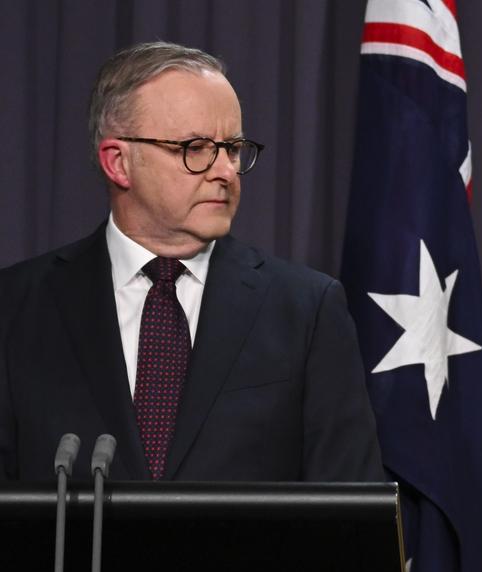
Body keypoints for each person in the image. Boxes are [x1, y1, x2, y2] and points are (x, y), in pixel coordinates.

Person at [0, 41, 383, 484]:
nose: (224, 170)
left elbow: (350, 517)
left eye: (233, 148)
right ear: (118, 163)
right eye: (196, 147)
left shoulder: (307, 311)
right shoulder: (15, 308)